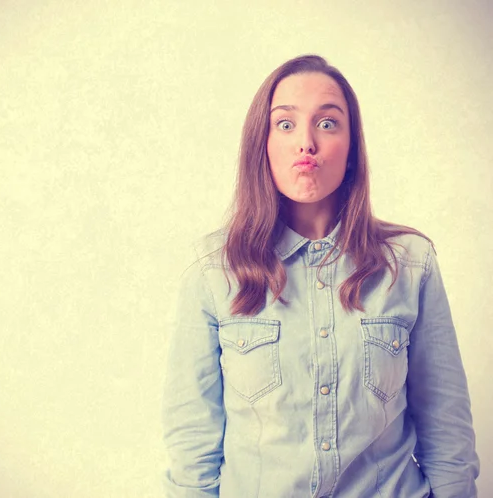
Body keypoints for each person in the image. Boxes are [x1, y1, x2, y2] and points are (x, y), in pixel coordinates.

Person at [162, 55, 479, 497]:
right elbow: (192, 448)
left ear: (351, 150)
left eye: (328, 123)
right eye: (286, 124)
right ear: (263, 144)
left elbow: (448, 436)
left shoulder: (410, 264)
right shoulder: (213, 270)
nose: (306, 143)